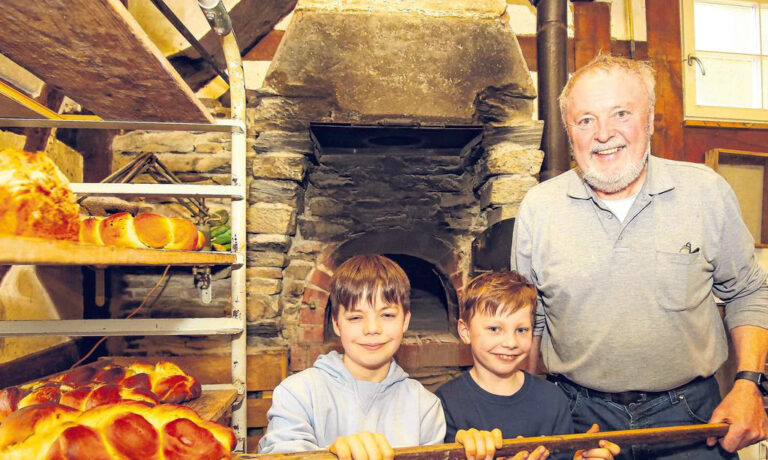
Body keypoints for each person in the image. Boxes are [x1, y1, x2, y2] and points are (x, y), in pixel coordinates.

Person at [511, 53, 768, 460]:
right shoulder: (539, 208)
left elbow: (748, 291)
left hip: (692, 417)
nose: (604, 134)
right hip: (578, 419)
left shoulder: (705, 193)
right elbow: (528, 319)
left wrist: (749, 384)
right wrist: (528, 415)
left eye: (621, 114)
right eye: (586, 120)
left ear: (649, 121)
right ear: (569, 133)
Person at [258, 254, 495, 460]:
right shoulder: (298, 393)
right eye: (355, 317)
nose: (372, 329)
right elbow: (280, 451)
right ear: (337, 324)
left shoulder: (425, 407)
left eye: (387, 315)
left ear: (405, 321)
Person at [436, 271, 621, 460]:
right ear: (465, 331)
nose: (511, 342)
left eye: (521, 330)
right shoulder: (444, 402)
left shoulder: (553, 398)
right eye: (494, 329)